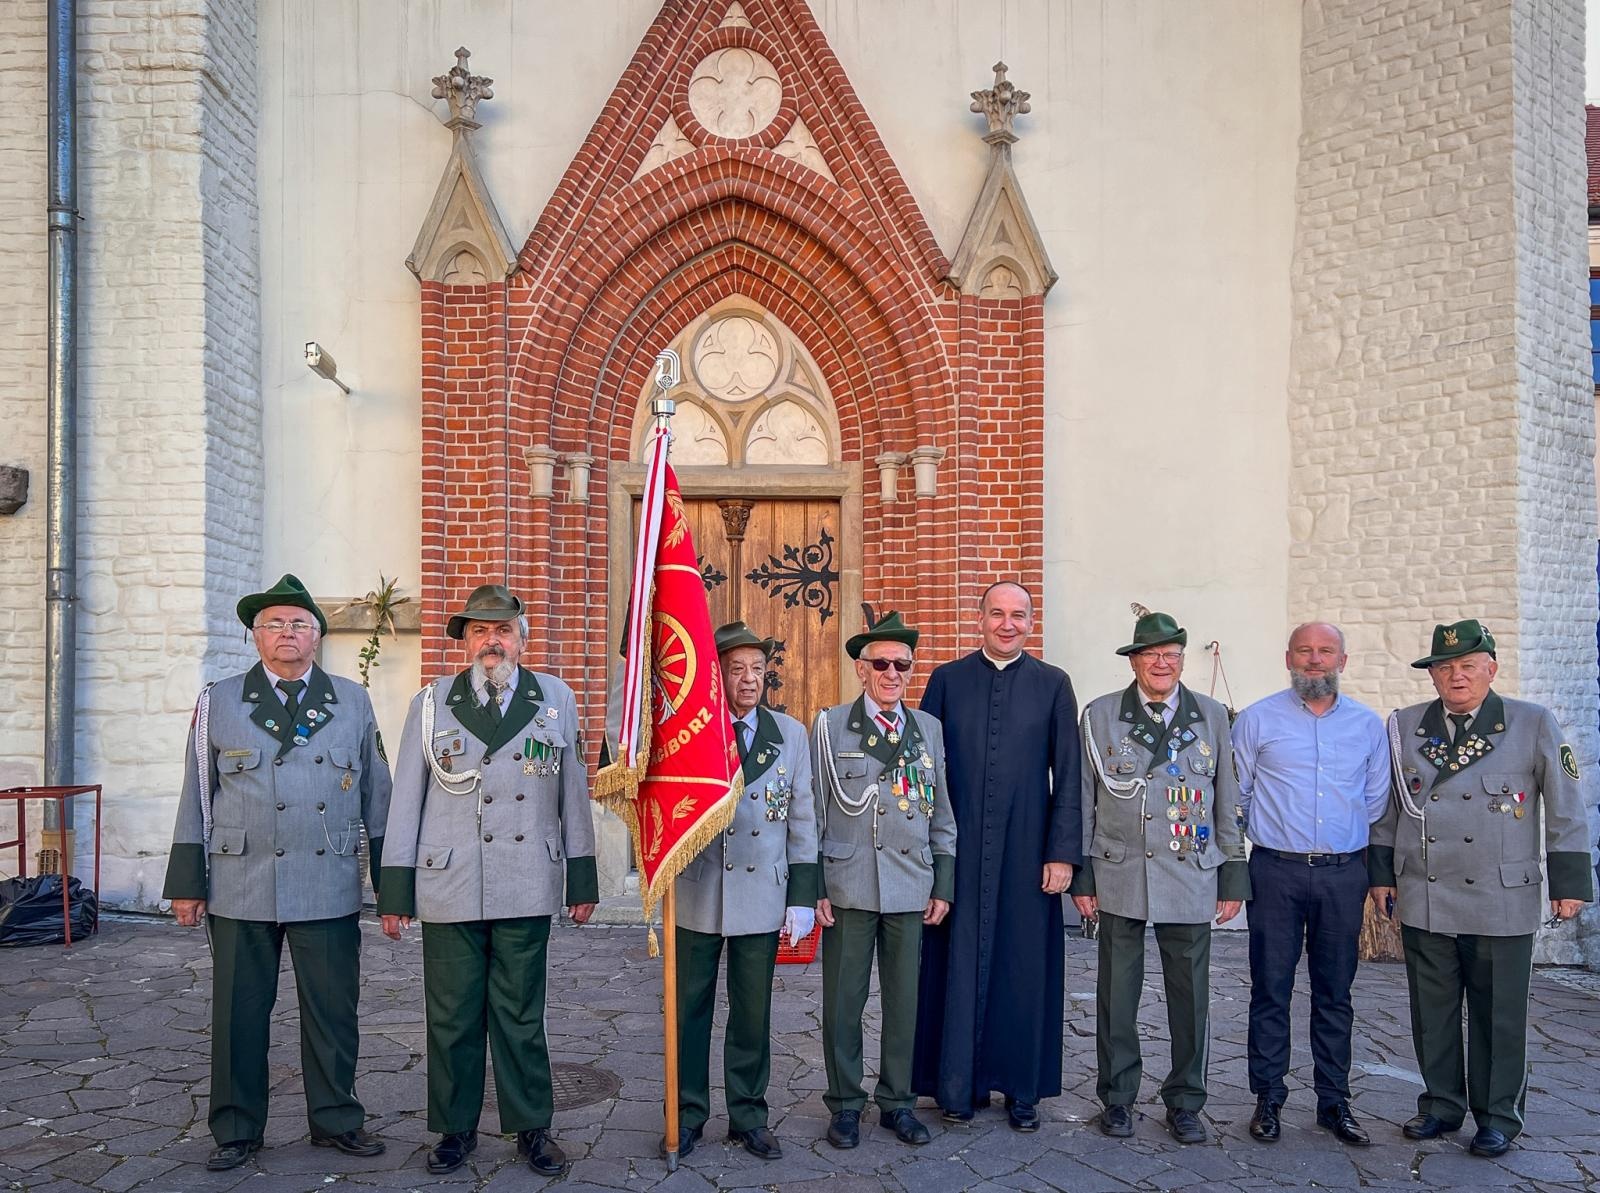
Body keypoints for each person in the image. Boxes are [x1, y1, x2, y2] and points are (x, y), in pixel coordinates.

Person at [163, 573, 392, 1171]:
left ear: (316, 636)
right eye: (273, 624)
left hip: (328, 880)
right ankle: (236, 1128)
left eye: (298, 623)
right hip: (241, 882)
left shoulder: (352, 699)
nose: (286, 633)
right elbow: (198, 793)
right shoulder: (220, 700)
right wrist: (188, 882)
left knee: (333, 1013)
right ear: (255, 637)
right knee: (238, 1015)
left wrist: (393, 888)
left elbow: (377, 795)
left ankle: (336, 1120)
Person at [377, 584, 598, 1177]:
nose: (491, 642)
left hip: (526, 879)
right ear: (465, 641)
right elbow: (407, 800)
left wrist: (582, 878)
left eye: (502, 631)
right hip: (450, 881)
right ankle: (454, 1128)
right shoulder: (431, 703)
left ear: (522, 637)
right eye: (479, 631)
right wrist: (395, 891)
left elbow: (573, 792)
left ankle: (532, 1127)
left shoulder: (555, 699)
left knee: (522, 1014)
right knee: (451, 1016)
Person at [1368, 619, 1593, 1158]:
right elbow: (1388, 807)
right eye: (1444, 667)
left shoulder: (1531, 723)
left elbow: (1566, 808)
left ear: (1491, 668)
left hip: (1500, 897)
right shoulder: (1405, 726)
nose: (1456, 676)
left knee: (1500, 1015)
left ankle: (1498, 1117)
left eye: (1468, 665)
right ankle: (1441, 1105)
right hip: (1427, 893)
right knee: (1433, 1010)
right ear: (1433, 676)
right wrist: (1380, 875)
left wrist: (1569, 882)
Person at [1069, 610, 1248, 1144]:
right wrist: (1083, 876)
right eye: (1152, 654)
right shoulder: (1101, 715)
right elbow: (1083, 797)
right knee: (1116, 997)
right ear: (1135, 661)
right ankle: (1118, 1098)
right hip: (1119, 870)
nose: (1162, 663)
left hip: (1191, 872)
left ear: (1181, 660)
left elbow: (1226, 797)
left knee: (1190, 997)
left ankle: (1186, 1100)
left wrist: (1234, 875)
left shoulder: (1212, 714)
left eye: (1171, 654)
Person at [912, 581, 1081, 1131]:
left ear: (1032, 622)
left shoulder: (1054, 685)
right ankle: (954, 1086)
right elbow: (921, 769)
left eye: (1019, 616)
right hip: (957, 850)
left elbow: (1070, 776)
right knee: (952, 965)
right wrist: (929, 860)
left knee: (1024, 967)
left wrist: (1062, 854)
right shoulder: (947, 680)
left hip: (1028, 851)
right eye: (997, 614)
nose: (1008, 624)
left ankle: (1022, 1089)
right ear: (979, 618)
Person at [665, 620, 819, 1160]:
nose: (750, 680)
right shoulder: (690, 732)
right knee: (690, 1010)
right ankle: (685, 1113)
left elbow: (803, 818)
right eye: (737, 670)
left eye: (758, 669)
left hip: (761, 894)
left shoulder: (791, 733)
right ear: (717, 675)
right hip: (698, 890)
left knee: (752, 1013)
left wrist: (802, 894)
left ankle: (748, 1115)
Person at [1231, 622, 1388, 1146]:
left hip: (1343, 874)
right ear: (1288, 658)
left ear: (1343, 660)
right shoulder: (1256, 720)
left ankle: (1333, 1102)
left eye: (1325, 651)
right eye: (1305, 651)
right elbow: (1240, 796)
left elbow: (1374, 801)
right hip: (1275, 871)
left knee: (1335, 992)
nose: (1315, 660)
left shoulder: (1368, 726)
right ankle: (1268, 1099)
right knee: (1270, 989)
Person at [813, 610, 957, 1149]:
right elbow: (814, 812)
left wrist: (943, 882)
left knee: (904, 1002)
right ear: (861, 668)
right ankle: (846, 1103)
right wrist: (814, 886)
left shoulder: (929, 730)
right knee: (844, 1002)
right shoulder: (829, 725)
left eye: (902, 664)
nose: (892, 672)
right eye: (881, 663)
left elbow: (942, 813)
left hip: (909, 884)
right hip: (848, 882)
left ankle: (896, 1101)